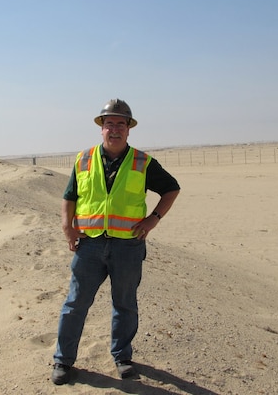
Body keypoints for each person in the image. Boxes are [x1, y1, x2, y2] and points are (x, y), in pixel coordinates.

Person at [51, 99, 180, 385]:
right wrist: (67, 228)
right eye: (109, 123)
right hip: (89, 246)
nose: (115, 129)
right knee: (75, 303)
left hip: (128, 246)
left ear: (129, 130)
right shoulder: (83, 159)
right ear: (101, 128)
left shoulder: (142, 162)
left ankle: (122, 358)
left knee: (125, 304)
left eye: (121, 124)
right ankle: (63, 361)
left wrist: (153, 219)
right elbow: (69, 197)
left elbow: (172, 189)